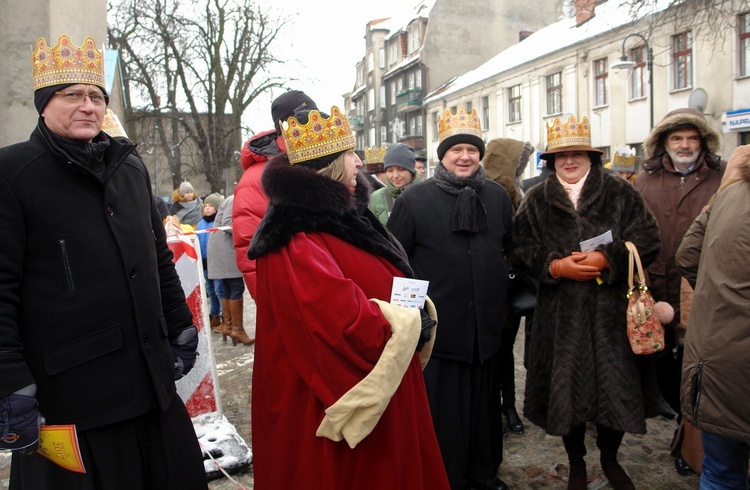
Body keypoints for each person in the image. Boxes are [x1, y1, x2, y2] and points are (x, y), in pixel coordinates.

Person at [0, 34, 205, 489]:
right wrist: (11, 380)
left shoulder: (129, 169)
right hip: (74, 399)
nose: (88, 105)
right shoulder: (12, 174)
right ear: (43, 104)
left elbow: (157, 259)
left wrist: (180, 325)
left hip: (152, 388)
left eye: (96, 96)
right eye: (72, 95)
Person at [247, 105, 449, 489]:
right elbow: (340, 322)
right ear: (332, 165)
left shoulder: (339, 212)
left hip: (380, 375)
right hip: (325, 399)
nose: (359, 162)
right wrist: (407, 322)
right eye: (350, 154)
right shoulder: (295, 232)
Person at [510, 115, 661, 490]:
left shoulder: (620, 192)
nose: (570, 160)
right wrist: (553, 265)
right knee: (567, 394)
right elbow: (519, 248)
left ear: (591, 156)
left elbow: (649, 237)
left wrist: (609, 258)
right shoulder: (536, 199)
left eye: (578, 153)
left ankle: (609, 459)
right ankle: (576, 461)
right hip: (559, 318)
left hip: (611, 315)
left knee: (615, 390)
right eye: (562, 156)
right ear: (551, 162)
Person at [388, 108, 512, 490]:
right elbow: (395, 260)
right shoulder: (415, 199)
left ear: (480, 154)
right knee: (445, 413)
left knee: (487, 408)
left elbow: (508, 248)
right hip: (442, 332)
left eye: (472, 150)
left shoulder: (497, 197)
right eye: (456, 149)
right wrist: (411, 319)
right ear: (442, 155)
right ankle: (448, 478)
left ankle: (485, 473)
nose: (464, 157)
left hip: (488, 330)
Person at [635, 108, 725, 474]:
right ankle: (673, 415)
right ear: (664, 143)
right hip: (655, 284)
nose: (684, 145)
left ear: (703, 143)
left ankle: (691, 444)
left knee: (699, 367)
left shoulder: (722, 178)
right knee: (661, 358)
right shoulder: (645, 180)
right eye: (677, 139)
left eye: (692, 138)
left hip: (704, 287)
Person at [676, 144, 750, 489]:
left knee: (720, 471)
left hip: (716, 362)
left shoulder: (728, 193)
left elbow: (688, 255)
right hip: (731, 368)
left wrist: (715, 295)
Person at [233, 90, 317, 299]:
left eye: (314, 118)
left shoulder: (316, 163)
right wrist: (274, 304)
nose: (311, 127)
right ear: (284, 128)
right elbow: (250, 251)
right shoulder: (255, 179)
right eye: (302, 120)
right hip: (290, 296)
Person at [483, 137, 535, 437]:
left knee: (505, 350)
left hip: (510, 284)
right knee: (492, 351)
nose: (524, 165)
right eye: (520, 160)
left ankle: (509, 407)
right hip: (491, 284)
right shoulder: (491, 191)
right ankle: (495, 409)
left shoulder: (519, 189)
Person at [208, 195, 253, 346]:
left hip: (220, 246)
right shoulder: (235, 199)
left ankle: (229, 327)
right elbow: (228, 224)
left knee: (228, 286)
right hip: (225, 247)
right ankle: (237, 329)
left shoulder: (232, 198)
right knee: (236, 286)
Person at [368, 142, 420, 225]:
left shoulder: (426, 194)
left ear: (411, 170)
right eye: (390, 170)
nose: (395, 175)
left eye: (401, 169)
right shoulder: (375, 198)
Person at [197, 193, 226, 330]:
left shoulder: (218, 223)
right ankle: (214, 315)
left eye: (210, 206)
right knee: (210, 290)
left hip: (216, 262)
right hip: (204, 263)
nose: (207, 208)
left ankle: (225, 316)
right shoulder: (200, 224)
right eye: (205, 206)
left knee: (219, 289)